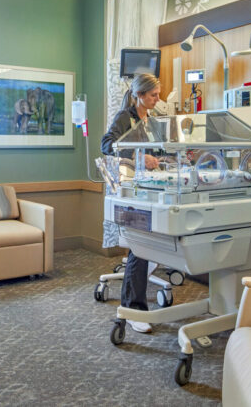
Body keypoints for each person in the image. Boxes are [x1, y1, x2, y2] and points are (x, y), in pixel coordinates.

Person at [100, 72, 160, 334]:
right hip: (129, 188)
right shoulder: (126, 117)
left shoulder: (155, 121)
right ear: (139, 95)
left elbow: (158, 150)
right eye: (153, 95)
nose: (158, 99)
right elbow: (107, 144)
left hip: (151, 186)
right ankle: (133, 309)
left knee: (150, 243)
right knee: (140, 245)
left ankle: (135, 302)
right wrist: (139, 157)